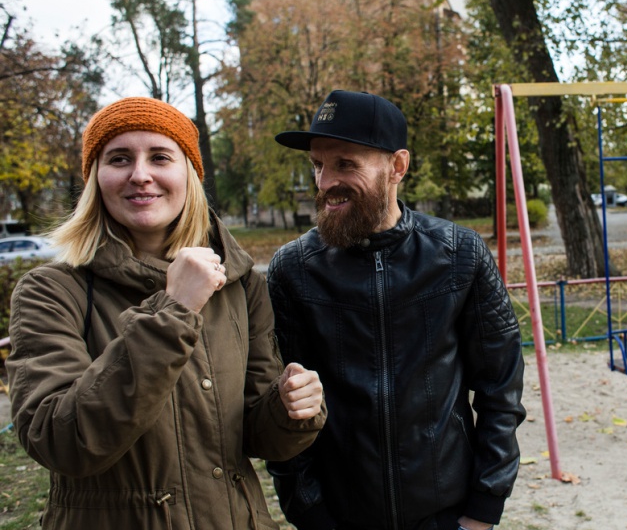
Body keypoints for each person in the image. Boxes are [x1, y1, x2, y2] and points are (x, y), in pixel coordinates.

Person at [5, 97, 327, 529]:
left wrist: (289, 408)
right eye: (119, 159)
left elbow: (254, 434)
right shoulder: (50, 290)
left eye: (160, 156)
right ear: (95, 178)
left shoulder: (239, 282)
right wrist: (175, 309)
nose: (141, 175)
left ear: (189, 175)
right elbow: (62, 443)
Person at [266, 90, 526, 530]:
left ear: (397, 167)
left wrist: (484, 508)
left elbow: (501, 387)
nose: (324, 181)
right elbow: (286, 411)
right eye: (317, 164)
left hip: (447, 514)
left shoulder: (460, 255)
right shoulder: (293, 270)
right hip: (340, 518)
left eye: (345, 164)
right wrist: (310, 513)